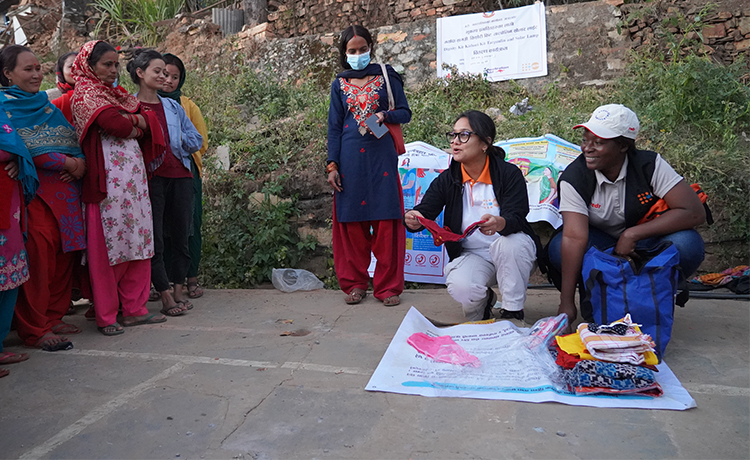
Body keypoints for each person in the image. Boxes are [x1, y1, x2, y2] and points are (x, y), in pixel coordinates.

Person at [546, 104, 706, 323]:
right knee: (557, 249)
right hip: (601, 245)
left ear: (622, 146)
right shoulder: (575, 177)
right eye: (585, 140)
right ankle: (599, 294)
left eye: (599, 142)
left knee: (687, 244)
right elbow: (575, 237)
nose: (587, 148)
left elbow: (693, 212)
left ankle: (652, 294)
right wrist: (566, 303)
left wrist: (633, 234)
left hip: (644, 242)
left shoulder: (649, 165)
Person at [404, 110, 540, 324]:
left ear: (485, 143)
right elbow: (426, 209)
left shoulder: (508, 173)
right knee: (461, 287)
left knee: (510, 244)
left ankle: (513, 311)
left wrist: (500, 223)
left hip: (512, 252)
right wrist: (413, 217)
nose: (455, 142)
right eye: (453, 135)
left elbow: (517, 216)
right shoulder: (448, 179)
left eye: (464, 135)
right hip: (473, 255)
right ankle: (484, 301)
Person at [70, 40, 168, 335]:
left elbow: (151, 120)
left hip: (134, 183)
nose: (113, 71)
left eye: (116, 65)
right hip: (106, 185)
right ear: (90, 65)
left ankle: (135, 309)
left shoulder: (118, 94)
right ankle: (107, 315)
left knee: (138, 242)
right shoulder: (85, 94)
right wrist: (136, 123)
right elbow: (117, 125)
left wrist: (136, 121)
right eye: (106, 64)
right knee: (109, 249)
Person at [0, 45, 86, 350]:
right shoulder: (4, 106)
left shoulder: (45, 105)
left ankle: (53, 315)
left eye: (38, 68)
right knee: (39, 257)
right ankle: (35, 327)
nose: (36, 74)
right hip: (32, 195)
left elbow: (69, 141)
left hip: (65, 194)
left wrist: (79, 163)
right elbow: (18, 145)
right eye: (28, 69)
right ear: (8, 74)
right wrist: (67, 163)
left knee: (64, 253)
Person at [326, 25, 411, 307]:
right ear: (344, 53)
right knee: (351, 223)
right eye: (352, 51)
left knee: (386, 220)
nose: (358, 54)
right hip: (349, 157)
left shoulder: (386, 76)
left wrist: (384, 114)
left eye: (363, 49)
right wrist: (332, 165)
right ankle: (355, 284)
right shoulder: (338, 84)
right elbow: (334, 127)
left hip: (381, 156)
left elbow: (405, 112)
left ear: (371, 48)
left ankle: (387, 288)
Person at [128, 49, 203, 315]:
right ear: (140, 73)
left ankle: (179, 289)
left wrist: (174, 141)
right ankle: (164, 294)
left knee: (182, 234)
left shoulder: (172, 106)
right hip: (150, 179)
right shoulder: (129, 106)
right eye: (157, 71)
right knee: (156, 238)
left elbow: (197, 139)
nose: (163, 76)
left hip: (181, 175)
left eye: (166, 72)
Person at [0, 49, 38, 375]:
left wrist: (17, 158)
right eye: (29, 68)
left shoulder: (2, 109)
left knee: (9, 276)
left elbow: (18, 145)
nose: (37, 74)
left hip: (8, 206)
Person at [159, 53, 208, 299]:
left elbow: (202, 141)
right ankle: (163, 281)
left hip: (187, 175)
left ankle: (191, 278)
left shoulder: (187, 106)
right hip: (156, 177)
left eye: (174, 77)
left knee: (189, 227)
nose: (168, 80)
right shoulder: (142, 103)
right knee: (160, 228)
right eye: (163, 74)